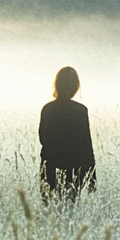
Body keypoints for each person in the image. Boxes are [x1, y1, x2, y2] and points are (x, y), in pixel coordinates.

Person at [39, 66, 96, 200]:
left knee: (49, 210)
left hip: (49, 168)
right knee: (69, 209)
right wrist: (92, 177)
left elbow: (43, 139)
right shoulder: (81, 111)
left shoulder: (47, 109)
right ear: (75, 87)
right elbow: (87, 146)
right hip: (74, 170)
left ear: (57, 85)